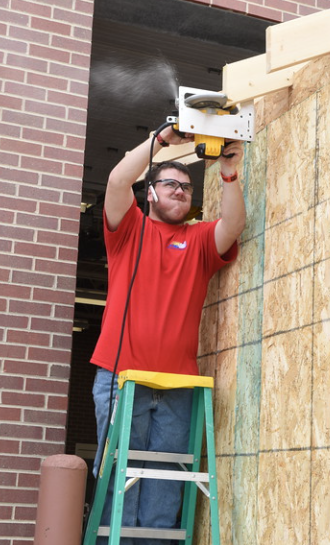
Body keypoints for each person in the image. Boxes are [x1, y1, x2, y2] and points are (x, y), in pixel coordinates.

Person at [90, 124, 246, 545]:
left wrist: (228, 172)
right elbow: (119, 180)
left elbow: (232, 225)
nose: (180, 191)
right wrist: (160, 140)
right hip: (122, 379)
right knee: (117, 485)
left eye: (187, 188)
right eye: (171, 184)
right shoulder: (127, 231)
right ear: (152, 192)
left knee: (164, 493)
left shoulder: (196, 241)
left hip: (178, 386)